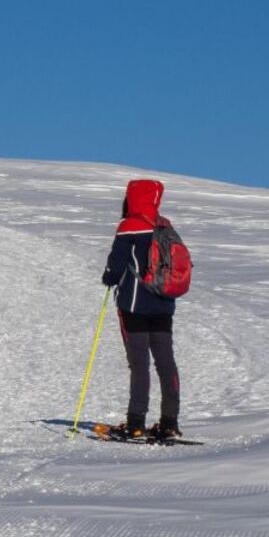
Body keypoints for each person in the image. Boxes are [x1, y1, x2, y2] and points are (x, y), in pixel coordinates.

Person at [100, 178, 180, 440]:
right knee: (165, 363)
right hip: (164, 303)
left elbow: (117, 263)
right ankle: (169, 422)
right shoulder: (164, 226)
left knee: (139, 364)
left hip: (134, 304)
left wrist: (109, 278)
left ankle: (135, 423)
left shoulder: (129, 226)